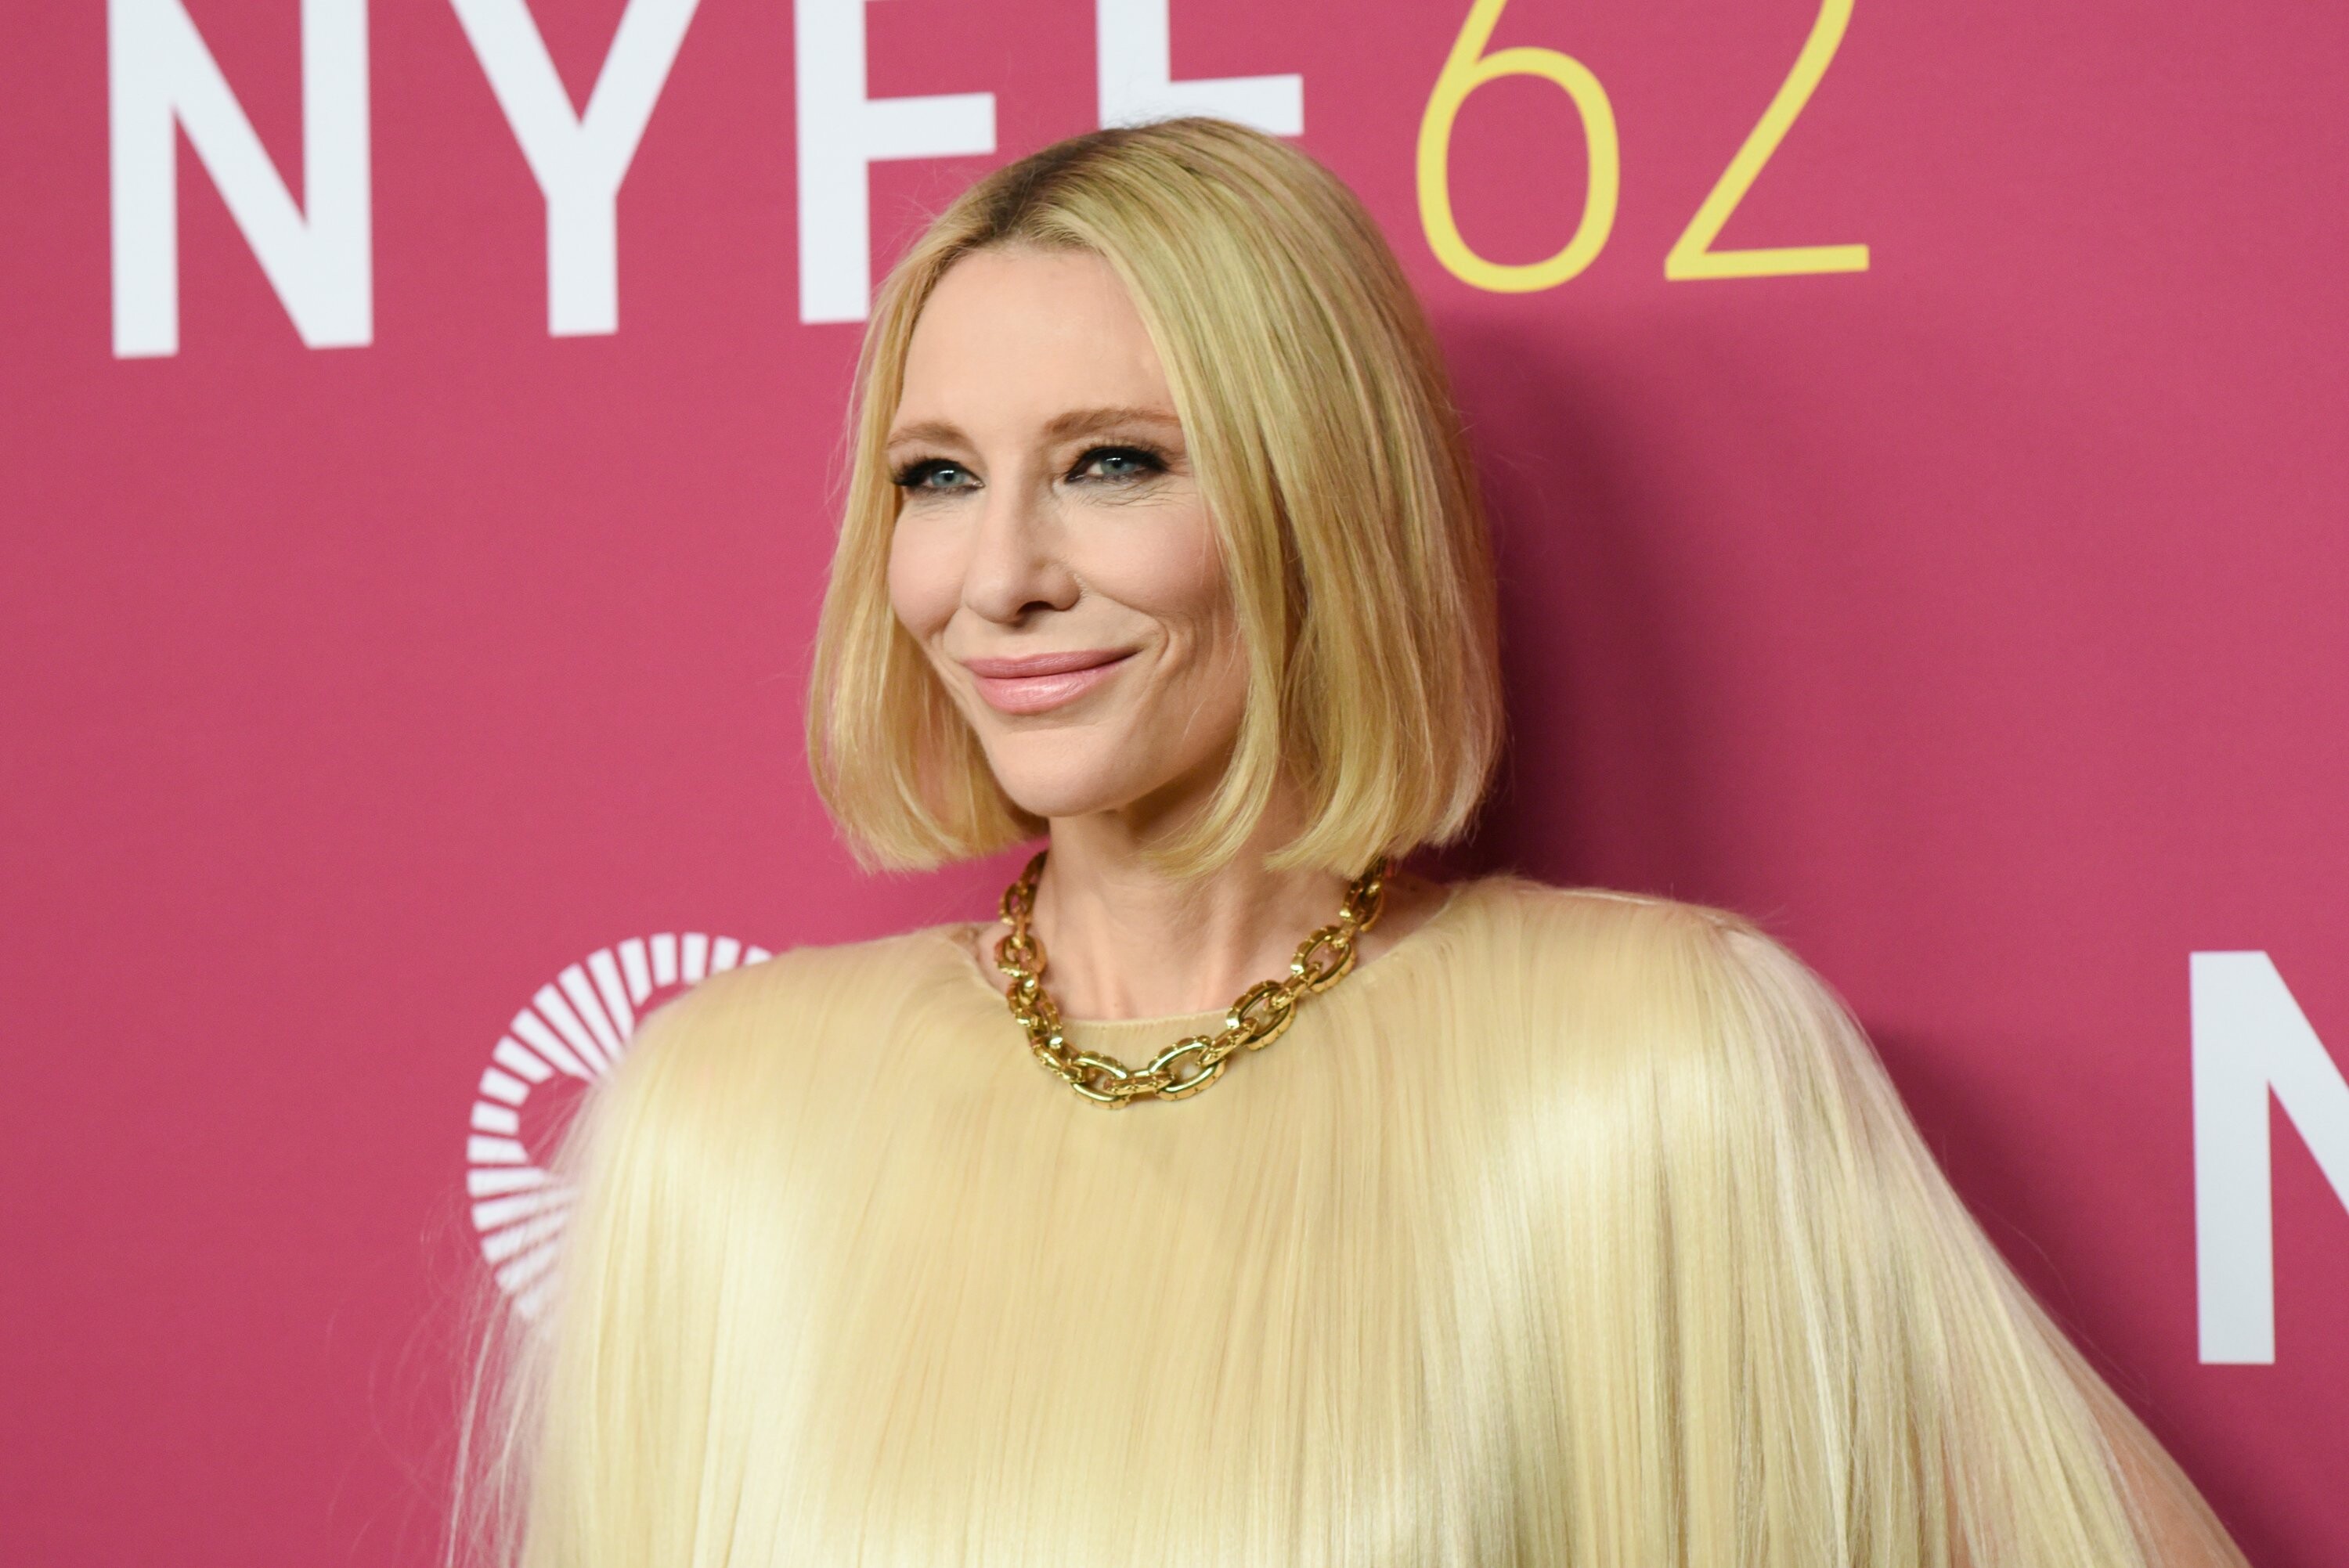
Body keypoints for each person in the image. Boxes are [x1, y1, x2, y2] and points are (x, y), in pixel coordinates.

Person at [453, 117, 2249, 1567]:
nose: (996, 577)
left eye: (1111, 463)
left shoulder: (1645, 1074)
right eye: (937, 477)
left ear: (1323, 499)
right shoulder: (724, 1127)